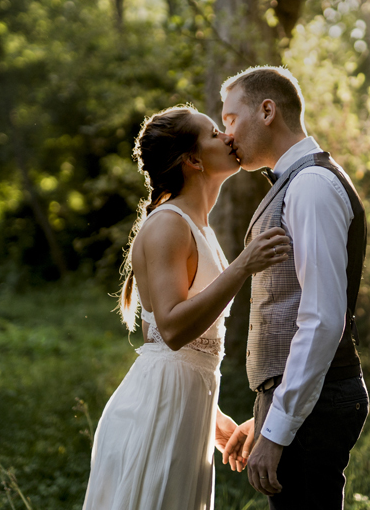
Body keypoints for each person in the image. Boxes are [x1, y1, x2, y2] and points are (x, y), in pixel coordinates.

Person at [82, 104, 291, 510]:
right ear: (193, 160)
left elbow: (170, 343)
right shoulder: (168, 224)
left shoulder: (197, 227)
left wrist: (213, 420)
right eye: (215, 134)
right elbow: (173, 332)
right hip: (156, 415)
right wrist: (244, 265)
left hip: (187, 409)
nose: (229, 138)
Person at [220, 66, 369, 509]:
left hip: (320, 405)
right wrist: (266, 414)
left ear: (267, 111)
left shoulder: (311, 185)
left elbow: (322, 320)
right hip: (308, 400)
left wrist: (278, 429)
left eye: (230, 118)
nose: (226, 135)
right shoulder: (300, 181)